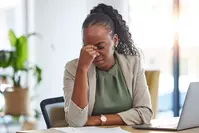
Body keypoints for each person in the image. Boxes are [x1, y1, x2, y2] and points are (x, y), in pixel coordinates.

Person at [63, 3, 153, 127]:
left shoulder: (133, 64)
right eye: (87, 47)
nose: (94, 54)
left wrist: (100, 120)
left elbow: (145, 113)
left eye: (100, 47)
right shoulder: (73, 68)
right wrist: (82, 70)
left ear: (115, 41)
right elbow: (76, 122)